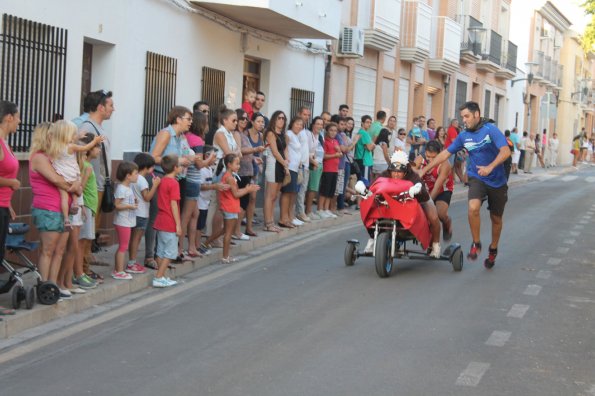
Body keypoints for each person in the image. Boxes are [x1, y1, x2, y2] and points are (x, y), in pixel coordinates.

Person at [419, 101, 510, 269]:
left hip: (497, 179)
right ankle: (476, 243)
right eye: (462, 117)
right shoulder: (463, 136)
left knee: (496, 219)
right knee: (473, 207)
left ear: (477, 114)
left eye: (467, 116)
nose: (464, 120)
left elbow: (506, 151)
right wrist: (424, 170)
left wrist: (490, 167)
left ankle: (493, 248)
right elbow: (445, 154)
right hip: (477, 177)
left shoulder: (491, 130)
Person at [30, 123, 81, 300]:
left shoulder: (56, 157)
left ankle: (53, 286)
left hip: (63, 209)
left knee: (59, 250)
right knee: (48, 250)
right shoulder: (39, 158)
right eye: (53, 135)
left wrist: (76, 185)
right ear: (46, 137)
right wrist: (75, 186)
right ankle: (44, 286)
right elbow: (57, 180)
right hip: (48, 209)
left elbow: (75, 179)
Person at [370, 150, 441, 258]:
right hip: (393, 203)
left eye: (399, 171)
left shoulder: (413, 176)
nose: (396, 174)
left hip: (417, 200)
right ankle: (372, 239)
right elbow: (374, 186)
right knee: (372, 213)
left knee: (433, 217)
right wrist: (366, 190)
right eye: (393, 170)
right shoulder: (385, 174)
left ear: (406, 169)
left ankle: (436, 245)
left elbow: (424, 195)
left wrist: (417, 190)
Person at [149, 106, 193, 262]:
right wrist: (177, 160)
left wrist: (186, 161)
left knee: (170, 215)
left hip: (175, 178)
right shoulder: (166, 134)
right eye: (188, 119)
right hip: (160, 177)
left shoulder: (180, 137)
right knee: (157, 216)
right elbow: (153, 157)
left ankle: (163, 255)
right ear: (178, 119)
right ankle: (151, 256)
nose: (190, 123)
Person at [48, 120, 104, 227]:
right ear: (68, 135)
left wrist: (78, 136)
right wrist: (95, 140)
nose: (75, 136)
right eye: (73, 134)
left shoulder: (56, 147)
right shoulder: (71, 147)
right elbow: (85, 148)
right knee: (75, 192)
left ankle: (66, 219)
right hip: (72, 175)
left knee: (64, 196)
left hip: (61, 175)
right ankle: (75, 204)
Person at [78, 90, 114, 239]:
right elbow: (81, 156)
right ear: (101, 107)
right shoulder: (87, 128)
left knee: (91, 231)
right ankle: (83, 262)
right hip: (91, 186)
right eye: (111, 105)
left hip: (98, 184)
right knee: (87, 232)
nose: (113, 109)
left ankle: (86, 260)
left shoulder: (97, 127)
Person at [210, 154, 259, 263]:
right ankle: (225, 256)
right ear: (229, 164)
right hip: (230, 207)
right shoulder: (230, 178)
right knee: (228, 232)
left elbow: (235, 193)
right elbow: (236, 194)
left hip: (229, 206)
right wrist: (248, 190)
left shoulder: (228, 176)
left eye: (239, 164)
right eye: (236, 164)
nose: (238, 166)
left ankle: (207, 243)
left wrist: (246, 189)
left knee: (225, 230)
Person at [180, 110, 216, 257]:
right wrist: (210, 159)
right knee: (187, 216)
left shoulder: (186, 137)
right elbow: (199, 165)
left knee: (194, 214)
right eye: (206, 123)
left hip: (186, 178)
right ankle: (181, 248)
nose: (208, 126)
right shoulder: (197, 141)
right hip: (193, 180)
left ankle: (192, 247)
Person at [0, 101, 20, 314]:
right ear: (8, 117)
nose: (20, 121)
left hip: (3, 206)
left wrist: (10, 204)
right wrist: (11, 184)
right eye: (18, 116)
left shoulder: (5, 143)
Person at [75, 133, 101, 287]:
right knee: (81, 243)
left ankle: (82, 271)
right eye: (97, 147)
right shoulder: (85, 166)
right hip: (85, 207)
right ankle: (79, 273)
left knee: (85, 243)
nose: (98, 151)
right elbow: (81, 188)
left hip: (90, 207)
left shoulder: (87, 165)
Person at [152, 154, 181, 288]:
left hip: (160, 219)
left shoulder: (162, 180)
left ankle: (162, 276)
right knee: (170, 252)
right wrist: (178, 224)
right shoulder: (174, 183)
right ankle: (158, 277)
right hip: (169, 221)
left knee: (160, 251)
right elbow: (174, 204)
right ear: (175, 168)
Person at [128, 153, 160, 273]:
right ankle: (132, 263)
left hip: (134, 212)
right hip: (141, 214)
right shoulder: (143, 181)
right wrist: (155, 186)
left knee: (133, 239)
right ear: (147, 167)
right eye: (152, 167)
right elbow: (147, 198)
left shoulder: (133, 178)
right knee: (136, 239)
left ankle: (132, 262)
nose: (153, 170)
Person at [419, 141, 453, 242]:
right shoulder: (420, 159)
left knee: (439, 213)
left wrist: (428, 202)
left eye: (434, 157)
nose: (430, 160)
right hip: (426, 189)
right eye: (428, 156)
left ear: (440, 154)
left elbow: (437, 187)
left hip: (442, 190)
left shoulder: (445, 165)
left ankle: (447, 222)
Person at [112, 161, 140, 280]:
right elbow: (117, 205)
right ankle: (119, 271)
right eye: (135, 173)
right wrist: (129, 206)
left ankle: (118, 269)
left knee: (124, 246)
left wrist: (133, 203)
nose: (137, 175)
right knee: (123, 246)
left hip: (127, 221)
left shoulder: (127, 187)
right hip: (123, 221)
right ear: (128, 175)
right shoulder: (121, 188)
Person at [262, 111, 288, 233]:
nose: (281, 120)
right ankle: (268, 223)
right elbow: (275, 151)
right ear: (274, 119)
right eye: (279, 118)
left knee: (275, 197)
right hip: (273, 165)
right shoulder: (270, 133)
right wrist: (285, 164)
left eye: (283, 118)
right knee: (270, 196)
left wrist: (286, 162)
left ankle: (271, 221)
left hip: (281, 165)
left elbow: (285, 149)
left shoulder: (283, 134)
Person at [243, 112, 266, 235]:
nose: (261, 124)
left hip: (256, 169)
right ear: (252, 122)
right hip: (246, 169)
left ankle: (249, 226)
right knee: (246, 198)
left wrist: (260, 164)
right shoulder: (246, 134)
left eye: (262, 122)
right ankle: (241, 224)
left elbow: (261, 151)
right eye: (258, 121)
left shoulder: (261, 135)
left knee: (253, 199)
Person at [279, 116, 304, 228]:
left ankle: (290, 217)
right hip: (289, 167)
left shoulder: (296, 136)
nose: (299, 126)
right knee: (287, 193)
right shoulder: (288, 134)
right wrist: (286, 166)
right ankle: (283, 218)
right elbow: (284, 148)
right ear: (292, 124)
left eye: (301, 125)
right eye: (297, 123)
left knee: (292, 193)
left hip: (295, 168)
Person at [318, 122, 342, 218]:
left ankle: (326, 208)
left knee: (331, 191)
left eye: (335, 131)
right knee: (325, 190)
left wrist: (338, 151)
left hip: (335, 170)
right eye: (331, 130)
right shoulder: (325, 142)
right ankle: (320, 209)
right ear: (327, 131)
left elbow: (340, 153)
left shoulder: (335, 141)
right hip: (327, 169)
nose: (333, 132)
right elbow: (323, 156)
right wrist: (335, 155)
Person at [305, 116, 325, 220]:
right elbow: (306, 151)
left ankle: (308, 211)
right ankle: (307, 211)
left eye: (321, 124)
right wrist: (314, 162)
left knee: (314, 188)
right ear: (313, 124)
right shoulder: (309, 134)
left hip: (318, 163)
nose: (319, 126)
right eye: (317, 124)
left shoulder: (319, 136)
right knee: (312, 188)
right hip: (312, 163)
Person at [295, 106, 312, 224]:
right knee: (297, 191)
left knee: (303, 190)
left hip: (306, 165)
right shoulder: (297, 130)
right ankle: (299, 213)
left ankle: (299, 213)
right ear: (299, 114)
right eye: (304, 114)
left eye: (308, 115)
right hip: (298, 165)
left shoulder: (305, 131)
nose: (306, 117)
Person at [354, 115, 375, 182]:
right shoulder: (364, 133)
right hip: (365, 161)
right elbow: (369, 147)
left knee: (362, 181)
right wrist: (372, 145)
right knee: (365, 182)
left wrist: (371, 145)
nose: (369, 124)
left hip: (362, 160)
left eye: (370, 122)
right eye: (367, 122)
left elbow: (370, 145)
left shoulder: (362, 132)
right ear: (362, 123)